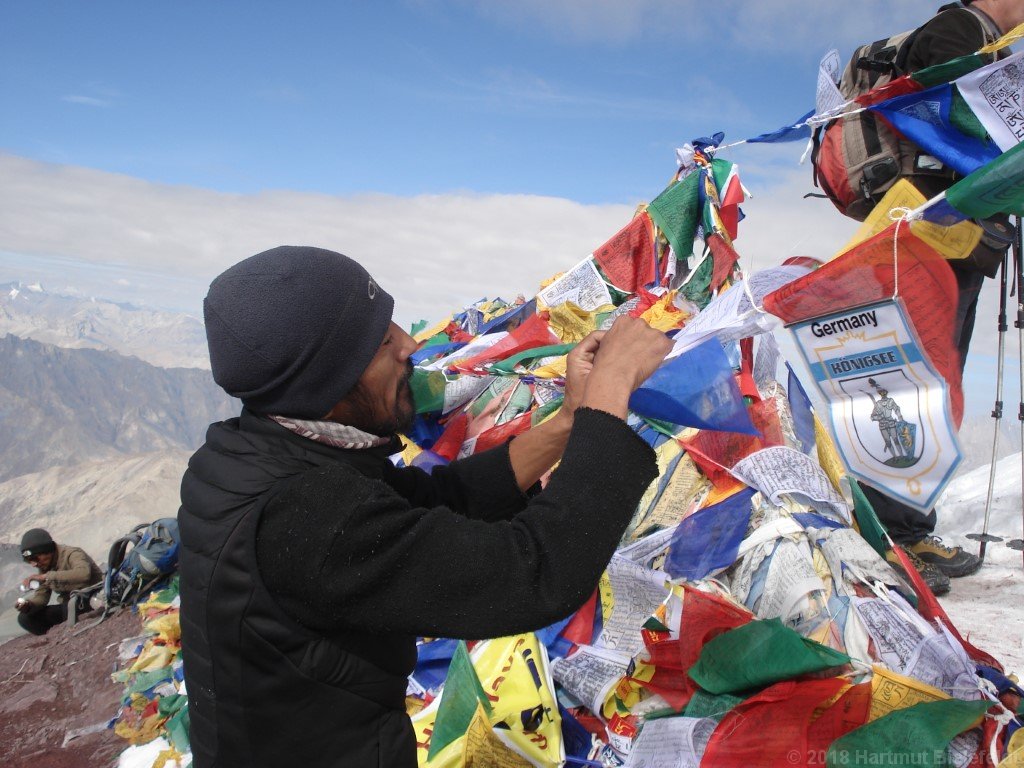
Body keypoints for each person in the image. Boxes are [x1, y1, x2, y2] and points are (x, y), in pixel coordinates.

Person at [177, 245, 672, 768]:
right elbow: (530, 574)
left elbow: (433, 502)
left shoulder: (250, 454)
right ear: (327, 381)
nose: (409, 344)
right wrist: (611, 394)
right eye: (379, 341)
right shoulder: (303, 516)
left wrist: (571, 419)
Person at [859, 0, 1024, 593]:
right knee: (914, 382)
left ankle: (905, 528)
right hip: (927, 240)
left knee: (928, 378)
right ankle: (892, 539)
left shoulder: (968, 37)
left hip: (945, 242)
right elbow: (948, 128)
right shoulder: (956, 33)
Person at [16, 528, 103, 636]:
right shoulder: (45, 566)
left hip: (92, 599)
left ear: (47, 550)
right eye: (29, 561)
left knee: (69, 608)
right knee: (25, 618)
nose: (34, 564)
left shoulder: (72, 554)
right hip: (69, 605)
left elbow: (83, 573)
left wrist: (47, 576)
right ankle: (52, 637)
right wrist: (29, 606)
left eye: (35, 558)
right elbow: (42, 596)